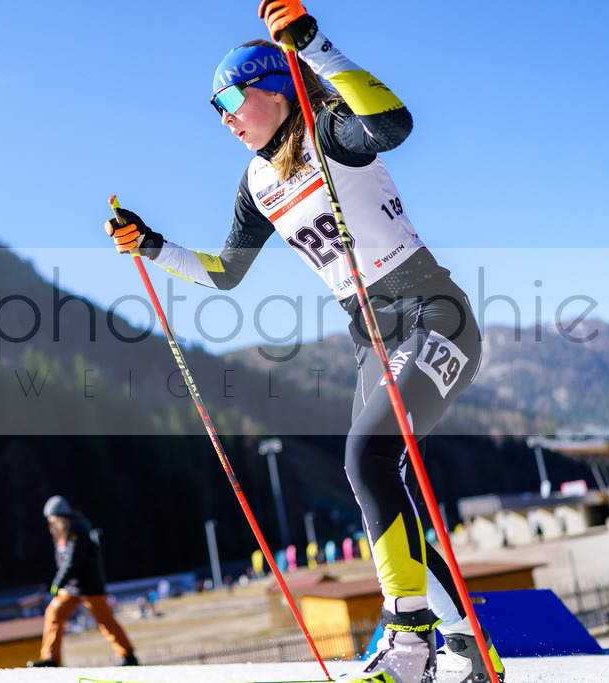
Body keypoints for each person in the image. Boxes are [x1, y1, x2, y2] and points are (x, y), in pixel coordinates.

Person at [103, 2, 504, 682]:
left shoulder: (330, 130)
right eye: (214, 107)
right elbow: (226, 273)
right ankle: (468, 648)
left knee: (366, 456)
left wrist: (314, 45)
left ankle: (409, 648)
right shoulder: (257, 182)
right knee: (384, 482)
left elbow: (394, 123)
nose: (224, 116)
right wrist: (153, 245)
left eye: (232, 97)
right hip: (371, 334)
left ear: (277, 86)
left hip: (434, 314)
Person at [27, 495, 138, 668]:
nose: (50, 523)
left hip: (89, 587)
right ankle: (51, 658)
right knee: (54, 614)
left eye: (52, 518)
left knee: (105, 621)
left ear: (61, 516)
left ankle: (128, 656)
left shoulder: (77, 530)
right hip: (71, 589)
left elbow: (74, 560)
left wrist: (57, 583)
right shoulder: (62, 534)